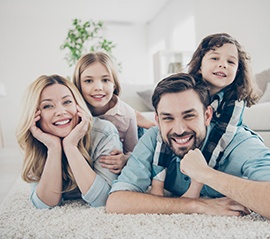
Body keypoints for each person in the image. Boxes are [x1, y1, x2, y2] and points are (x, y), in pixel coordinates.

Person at [106, 73, 270, 219]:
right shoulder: (154, 138)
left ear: (207, 115)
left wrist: (205, 174)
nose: (179, 130)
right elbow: (116, 201)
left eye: (189, 116)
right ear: (158, 121)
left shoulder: (240, 144)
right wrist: (196, 205)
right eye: (168, 118)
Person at [150, 33, 261, 197]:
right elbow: (164, 137)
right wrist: (157, 185)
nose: (223, 65)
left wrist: (195, 187)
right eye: (215, 58)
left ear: (237, 71)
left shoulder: (235, 100)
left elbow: (218, 140)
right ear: (200, 66)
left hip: (220, 137)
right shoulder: (187, 90)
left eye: (230, 62)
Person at [16, 74, 122, 209]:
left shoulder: (103, 131)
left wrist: (70, 146)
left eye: (67, 102)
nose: (61, 111)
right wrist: (54, 148)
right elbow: (43, 204)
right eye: (48, 106)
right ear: (35, 115)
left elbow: (104, 199)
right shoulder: (36, 138)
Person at [73, 52, 155, 174]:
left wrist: (125, 159)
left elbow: (133, 152)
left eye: (105, 80)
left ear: (114, 84)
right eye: (89, 81)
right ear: (78, 85)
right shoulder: (72, 110)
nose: (98, 87)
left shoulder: (126, 115)